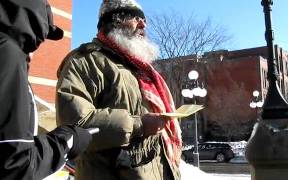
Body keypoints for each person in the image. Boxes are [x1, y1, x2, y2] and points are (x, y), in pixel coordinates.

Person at [55, 0, 182, 179]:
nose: (143, 24)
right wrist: (140, 125)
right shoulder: (85, 61)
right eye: (136, 18)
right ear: (115, 20)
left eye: (144, 19)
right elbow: (74, 124)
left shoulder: (141, 69)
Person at [0, 1, 92, 179]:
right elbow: (14, 163)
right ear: (33, 24)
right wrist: (67, 141)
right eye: (39, 38)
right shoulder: (7, 54)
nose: (37, 47)